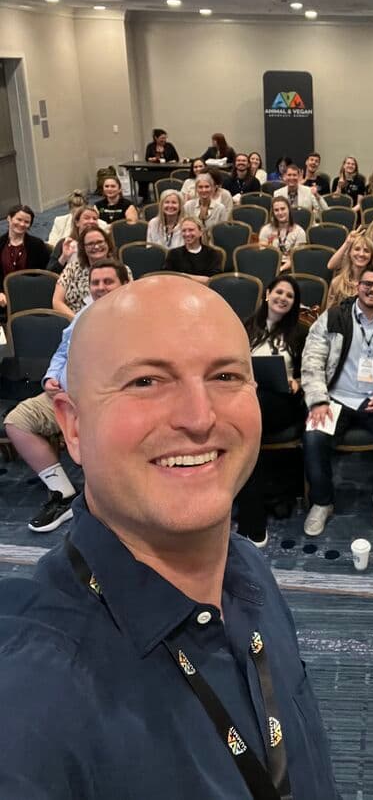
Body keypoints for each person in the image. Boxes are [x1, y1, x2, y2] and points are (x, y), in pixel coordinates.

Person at [0, 275, 340, 798]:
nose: (199, 418)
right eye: (146, 382)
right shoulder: (31, 702)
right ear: (70, 426)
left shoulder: (248, 569)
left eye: (226, 375)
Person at [5, 259, 130, 532]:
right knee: (18, 421)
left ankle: (113, 504)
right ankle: (63, 493)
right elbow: (62, 352)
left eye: (108, 281)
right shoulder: (83, 316)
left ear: (124, 285)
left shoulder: (135, 321)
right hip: (62, 395)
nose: (100, 288)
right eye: (95, 283)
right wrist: (51, 377)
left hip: (103, 400)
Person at [301, 264, 373, 537]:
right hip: (335, 399)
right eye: (368, 284)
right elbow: (312, 359)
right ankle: (322, 501)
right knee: (314, 436)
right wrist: (319, 401)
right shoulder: (334, 316)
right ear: (358, 286)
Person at [235, 276, 308, 546]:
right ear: (267, 294)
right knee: (247, 432)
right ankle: (250, 517)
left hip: (282, 402)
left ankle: (251, 523)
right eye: (279, 292)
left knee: (245, 426)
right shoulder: (246, 327)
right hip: (247, 400)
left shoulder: (300, 333)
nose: (283, 298)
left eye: (289, 296)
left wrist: (296, 381)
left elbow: (309, 373)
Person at [52, 224, 129, 319]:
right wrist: (77, 320)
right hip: (74, 321)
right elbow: (57, 301)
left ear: (108, 244)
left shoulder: (122, 269)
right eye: (90, 244)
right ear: (83, 248)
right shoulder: (71, 268)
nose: (96, 246)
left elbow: (128, 299)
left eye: (100, 242)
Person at [0, 204, 49, 312]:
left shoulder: (37, 245)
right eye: (19, 219)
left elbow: (46, 273)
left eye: (26, 222)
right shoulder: (0, 244)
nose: (22, 224)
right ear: (9, 218)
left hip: (31, 298)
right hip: (3, 299)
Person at [47, 206, 109, 275]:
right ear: (77, 222)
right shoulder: (65, 243)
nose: (91, 221)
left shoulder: (103, 243)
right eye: (87, 218)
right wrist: (64, 257)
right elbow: (50, 273)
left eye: (94, 219)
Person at [326, 232, 373, 308]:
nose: (361, 254)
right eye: (357, 249)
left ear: (371, 256)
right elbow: (329, 314)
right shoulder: (337, 282)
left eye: (366, 251)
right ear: (349, 253)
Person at [164, 217, 223, 282]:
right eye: (184, 230)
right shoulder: (173, 254)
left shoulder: (212, 254)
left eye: (191, 230)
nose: (187, 234)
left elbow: (213, 280)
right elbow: (168, 277)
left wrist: (182, 276)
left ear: (200, 232)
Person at [258, 195, 307, 271]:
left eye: (283, 209)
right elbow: (263, 254)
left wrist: (280, 269)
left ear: (289, 210)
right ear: (273, 212)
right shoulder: (266, 229)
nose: (280, 213)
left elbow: (295, 258)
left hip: (290, 268)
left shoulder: (299, 231)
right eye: (276, 210)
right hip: (270, 265)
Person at [183, 172, 228, 236]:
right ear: (196, 189)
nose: (204, 190)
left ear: (212, 188)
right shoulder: (188, 206)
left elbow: (223, 232)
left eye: (207, 187)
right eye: (200, 187)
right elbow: (184, 229)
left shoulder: (220, 208)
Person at [142, 128, 179, 202]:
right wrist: (152, 159)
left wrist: (172, 161)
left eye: (165, 138)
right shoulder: (150, 146)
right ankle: (145, 197)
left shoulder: (169, 146)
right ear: (156, 138)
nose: (164, 140)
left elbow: (176, 158)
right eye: (162, 138)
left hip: (168, 170)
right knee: (142, 176)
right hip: (153, 170)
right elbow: (147, 158)